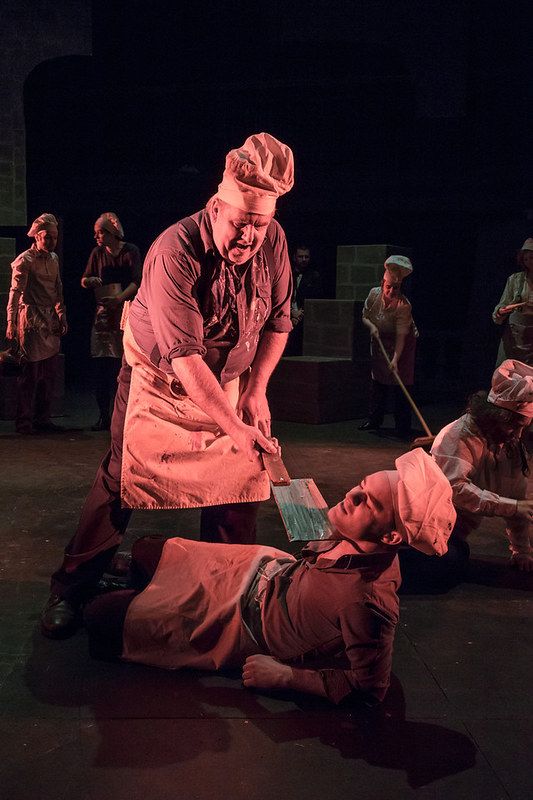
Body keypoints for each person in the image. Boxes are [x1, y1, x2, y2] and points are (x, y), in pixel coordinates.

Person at [42, 132, 294, 638]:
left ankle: (225, 594)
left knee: (239, 483)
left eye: (259, 226)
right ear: (216, 207)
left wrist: (255, 390)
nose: (248, 237)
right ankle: (71, 587)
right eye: (240, 224)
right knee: (121, 479)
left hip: (224, 383)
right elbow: (184, 357)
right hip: (160, 379)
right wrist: (233, 424)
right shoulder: (173, 250)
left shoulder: (274, 243)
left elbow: (278, 323)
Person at [82, 448, 456, 705]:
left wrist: (286, 677)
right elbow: (311, 524)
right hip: (262, 569)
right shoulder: (353, 534)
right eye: (361, 484)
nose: (352, 494)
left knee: (102, 617)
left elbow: (371, 687)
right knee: (148, 549)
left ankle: (126, 592)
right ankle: (130, 580)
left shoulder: (367, 602)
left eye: (368, 502)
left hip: (244, 621)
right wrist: (273, 460)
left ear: (390, 537)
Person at [400, 359, 533, 591]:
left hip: (451, 533)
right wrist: (512, 506)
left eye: (524, 426)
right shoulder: (458, 436)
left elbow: (518, 497)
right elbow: (457, 490)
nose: (518, 434)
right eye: (514, 425)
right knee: (446, 567)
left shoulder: (509, 444)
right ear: (496, 416)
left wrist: (522, 550)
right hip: (420, 525)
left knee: (455, 559)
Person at [5, 213, 67, 434]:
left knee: (49, 374)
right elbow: (15, 293)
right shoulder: (25, 260)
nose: (51, 242)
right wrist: (11, 321)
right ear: (38, 237)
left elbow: (58, 290)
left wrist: (61, 315)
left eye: (54, 238)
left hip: (48, 318)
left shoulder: (53, 259)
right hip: (30, 318)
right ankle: (24, 420)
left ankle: (43, 418)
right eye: (47, 238)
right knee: (29, 373)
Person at [81, 212, 142, 431]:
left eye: (100, 233)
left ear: (111, 232)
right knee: (101, 364)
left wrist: (120, 298)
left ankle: (124, 415)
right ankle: (103, 416)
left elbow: (137, 280)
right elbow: (84, 279)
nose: (96, 237)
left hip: (125, 310)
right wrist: (90, 281)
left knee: (122, 364)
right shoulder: (97, 253)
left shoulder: (130, 251)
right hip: (103, 312)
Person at [358, 256, 417, 439]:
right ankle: (374, 419)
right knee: (378, 381)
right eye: (388, 287)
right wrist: (372, 326)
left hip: (404, 344)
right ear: (382, 284)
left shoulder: (403, 306)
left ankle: (403, 426)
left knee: (401, 384)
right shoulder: (374, 294)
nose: (391, 291)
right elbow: (365, 317)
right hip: (380, 339)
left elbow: (401, 337)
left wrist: (395, 359)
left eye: (396, 288)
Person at [493, 238, 533, 367]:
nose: (529, 262)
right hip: (514, 337)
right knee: (509, 373)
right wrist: (500, 311)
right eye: (525, 259)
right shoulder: (515, 280)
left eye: (532, 258)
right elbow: (502, 303)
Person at [285, 244, 324, 356]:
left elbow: (315, 300)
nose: (303, 260)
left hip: (304, 320)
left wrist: (299, 315)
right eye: (300, 256)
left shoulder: (314, 276)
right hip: (286, 315)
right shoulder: (287, 273)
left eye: (306, 257)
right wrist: (291, 312)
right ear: (294, 257)